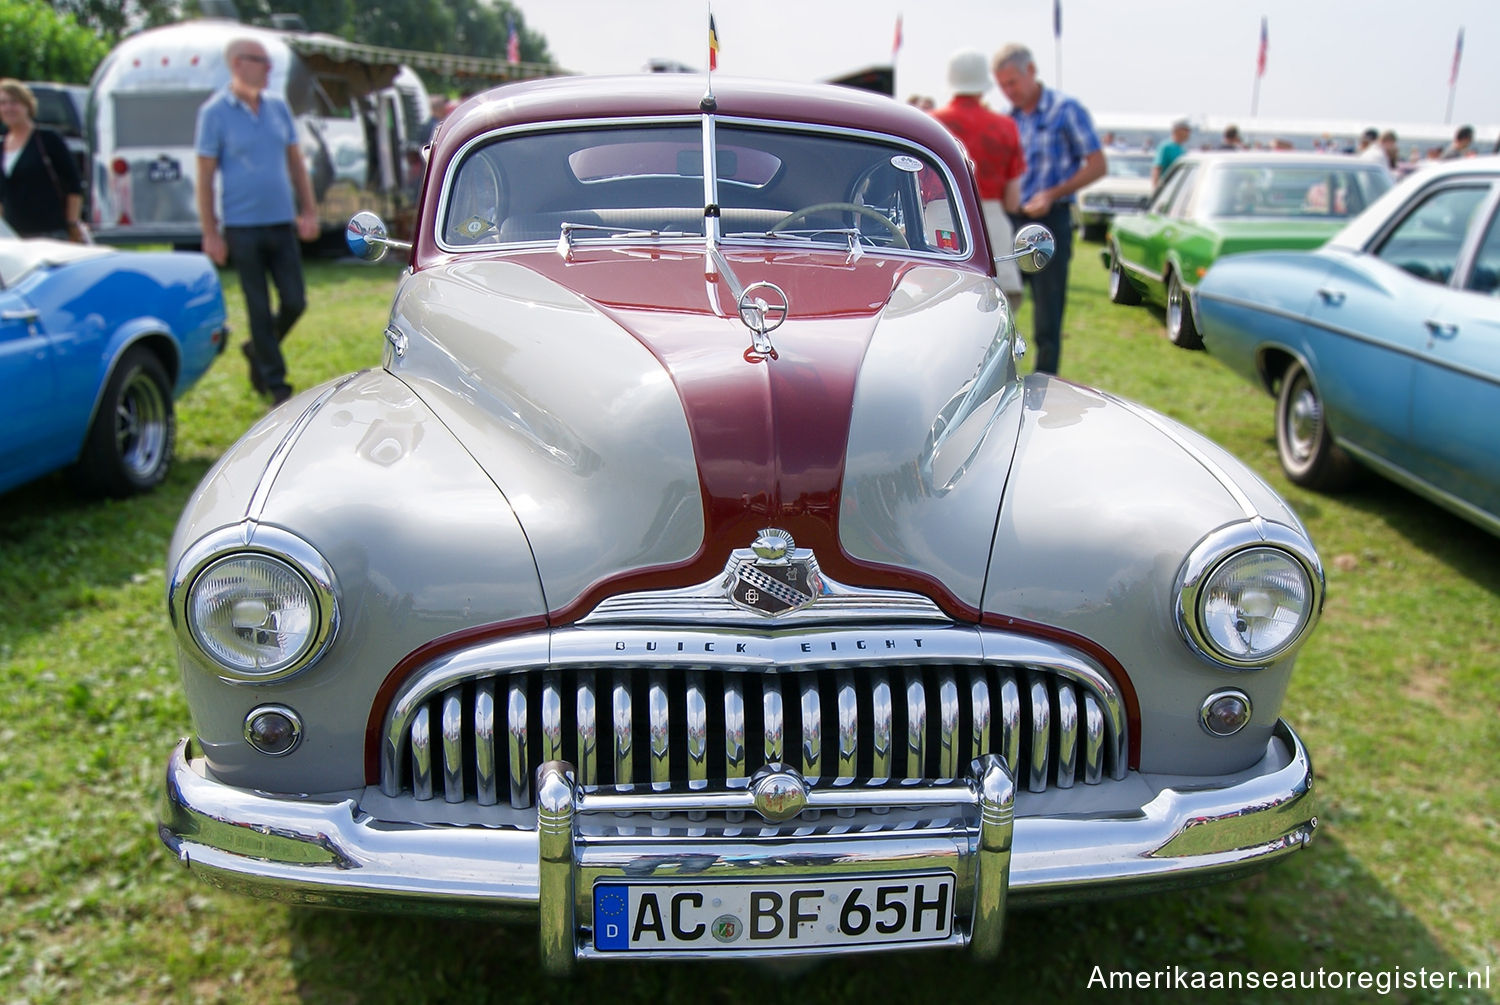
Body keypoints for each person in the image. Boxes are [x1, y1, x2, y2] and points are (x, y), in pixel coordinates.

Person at [195, 37, 318, 405]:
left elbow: (297, 164)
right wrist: (210, 232)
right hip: (242, 225)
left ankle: (258, 350)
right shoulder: (214, 113)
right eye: (260, 61)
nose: (268, 68)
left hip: (281, 221)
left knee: (295, 301)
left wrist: (309, 210)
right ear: (237, 64)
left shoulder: (278, 108)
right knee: (258, 306)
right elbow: (205, 176)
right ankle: (276, 383)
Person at [991, 43, 1104, 375]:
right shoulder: (1007, 120)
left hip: (1051, 220)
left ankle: (1045, 384)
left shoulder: (1064, 110)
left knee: (1047, 314)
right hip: (1012, 219)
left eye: (1012, 82)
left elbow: (1097, 165)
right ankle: (999, 379)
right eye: (1002, 86)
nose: (1008, 91)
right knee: (1001, 304)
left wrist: (1054, 194)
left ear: (1031, 71)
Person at [931, 50, 1026, 308]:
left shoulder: (933, 124)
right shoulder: (1006, 127)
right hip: (992, 221)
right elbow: (1012, 200)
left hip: (941, 218)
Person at [0, 79, 86, 240]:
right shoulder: (2, 145)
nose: (8, 108)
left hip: (50, 231)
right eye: (3, 103)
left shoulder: (47, 139)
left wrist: (72, 223)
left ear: (27, 105)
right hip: (14, 236)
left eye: (14, 102)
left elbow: (73, 184)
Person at [1150, 118, 1191, 187]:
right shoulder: (1166, 147)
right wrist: (1155, 189)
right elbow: (1157, 168)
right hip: (1168, 187)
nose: (1188, 133)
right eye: (1186, 130)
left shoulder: (1182, 149)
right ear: (1178, 130)